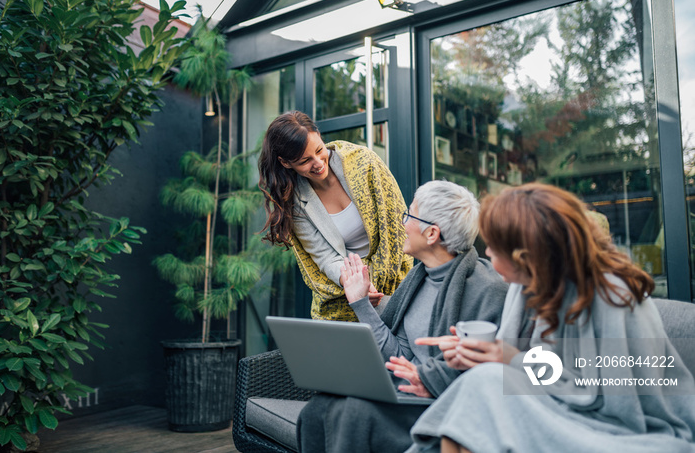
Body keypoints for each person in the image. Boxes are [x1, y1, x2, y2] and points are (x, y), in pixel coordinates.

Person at [411, 183, 695, 453]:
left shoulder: (614, 299)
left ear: (524, 258)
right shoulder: (527, 289)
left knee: (484, 385)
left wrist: (509, 358)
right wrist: (477, 355)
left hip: (614, 425)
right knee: (480, 390)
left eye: (494, 248)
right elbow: (526, 375)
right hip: (557, 405)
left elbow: (617, 404)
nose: (485, 253)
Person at [297, 180, 508, 453]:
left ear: (432, 234)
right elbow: (398, 355)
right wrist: (361, 302)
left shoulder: (488, 290)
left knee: (355, 413)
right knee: (317, 409)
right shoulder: (416, 281)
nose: (403, 222)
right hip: (404, 390)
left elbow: (492, 375)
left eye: (410, 214)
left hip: (437, 404)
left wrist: (430, 377)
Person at [258, 111, 413, 321]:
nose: (318, 163)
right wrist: (356, 284)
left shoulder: (363, 164)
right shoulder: (295, 202)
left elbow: (396, 227)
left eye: (319, 150)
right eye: (305, 161)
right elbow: (325, 257)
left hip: (395, 283)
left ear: (320, 136)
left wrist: (375, 281)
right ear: (286, 163)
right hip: (342, 298)